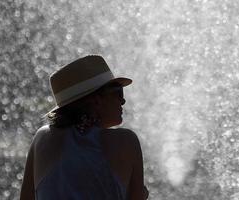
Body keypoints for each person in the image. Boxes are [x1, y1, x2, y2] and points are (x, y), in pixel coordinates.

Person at [19, 55, 148, 200]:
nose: (123, 101)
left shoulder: (41, 138)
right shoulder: (126, 141)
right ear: (97, 100)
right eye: (118, 92)